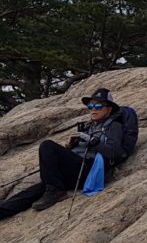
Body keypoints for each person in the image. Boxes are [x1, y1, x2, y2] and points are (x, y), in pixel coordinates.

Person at [0, 88, 128, 218]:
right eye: (91, 106)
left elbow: (115, 153)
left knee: (47, 145)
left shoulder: (114, 126)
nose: (93, 109)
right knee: (36, 190)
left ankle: (56, 191)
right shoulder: (89, 126)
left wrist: (93, 141)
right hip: (76, 170)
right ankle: (3, 210)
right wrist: (71, 146)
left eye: (99, 106)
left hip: (90, 170)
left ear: (109, 109)